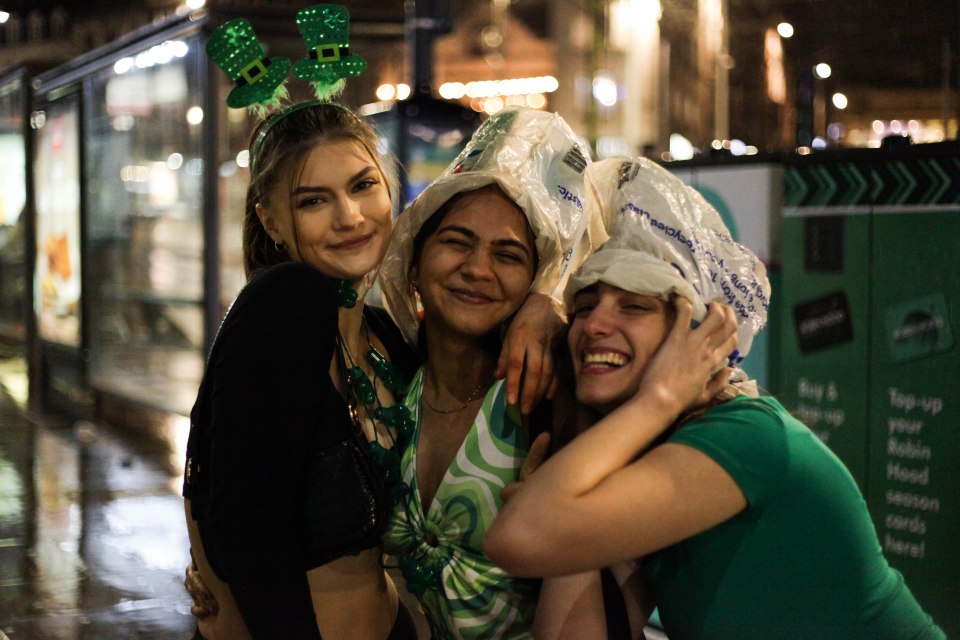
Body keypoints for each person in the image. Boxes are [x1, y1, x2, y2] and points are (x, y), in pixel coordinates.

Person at [183, 14, 564, 640]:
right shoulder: (285, 303)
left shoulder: (386, 337)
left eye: (363, 186)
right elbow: (244, 532)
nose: (351, 216)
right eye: (314, 199)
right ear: (271, 221)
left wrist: (542, 304)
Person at [484, 157, 948, 640]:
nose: (594, 325)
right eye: (583, 308)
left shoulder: (746, 435)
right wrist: (568, 520)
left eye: (634, 306)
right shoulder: (654, 449)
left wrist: (661, 396)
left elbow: (517, 536)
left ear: (698, 335)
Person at [377, 106, 598, 639]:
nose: (477, 269)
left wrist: (554, 307)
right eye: (456, 241)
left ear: (533, 280)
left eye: (508, 254)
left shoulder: (544, 393)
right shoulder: (384, 374)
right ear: (414, 255)